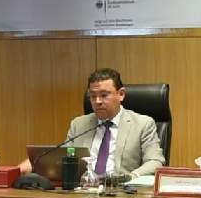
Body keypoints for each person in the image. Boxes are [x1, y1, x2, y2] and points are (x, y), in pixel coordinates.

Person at [19, 68, 165, 178]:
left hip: (122, 193)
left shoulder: (142, 124)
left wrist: (132, 176)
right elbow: (63, 155)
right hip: (84, 191)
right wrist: (36, 162)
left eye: (104, 95)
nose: (97, 101)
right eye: (93, 96)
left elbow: (155, 161)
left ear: (121, 94)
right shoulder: (79, 124)